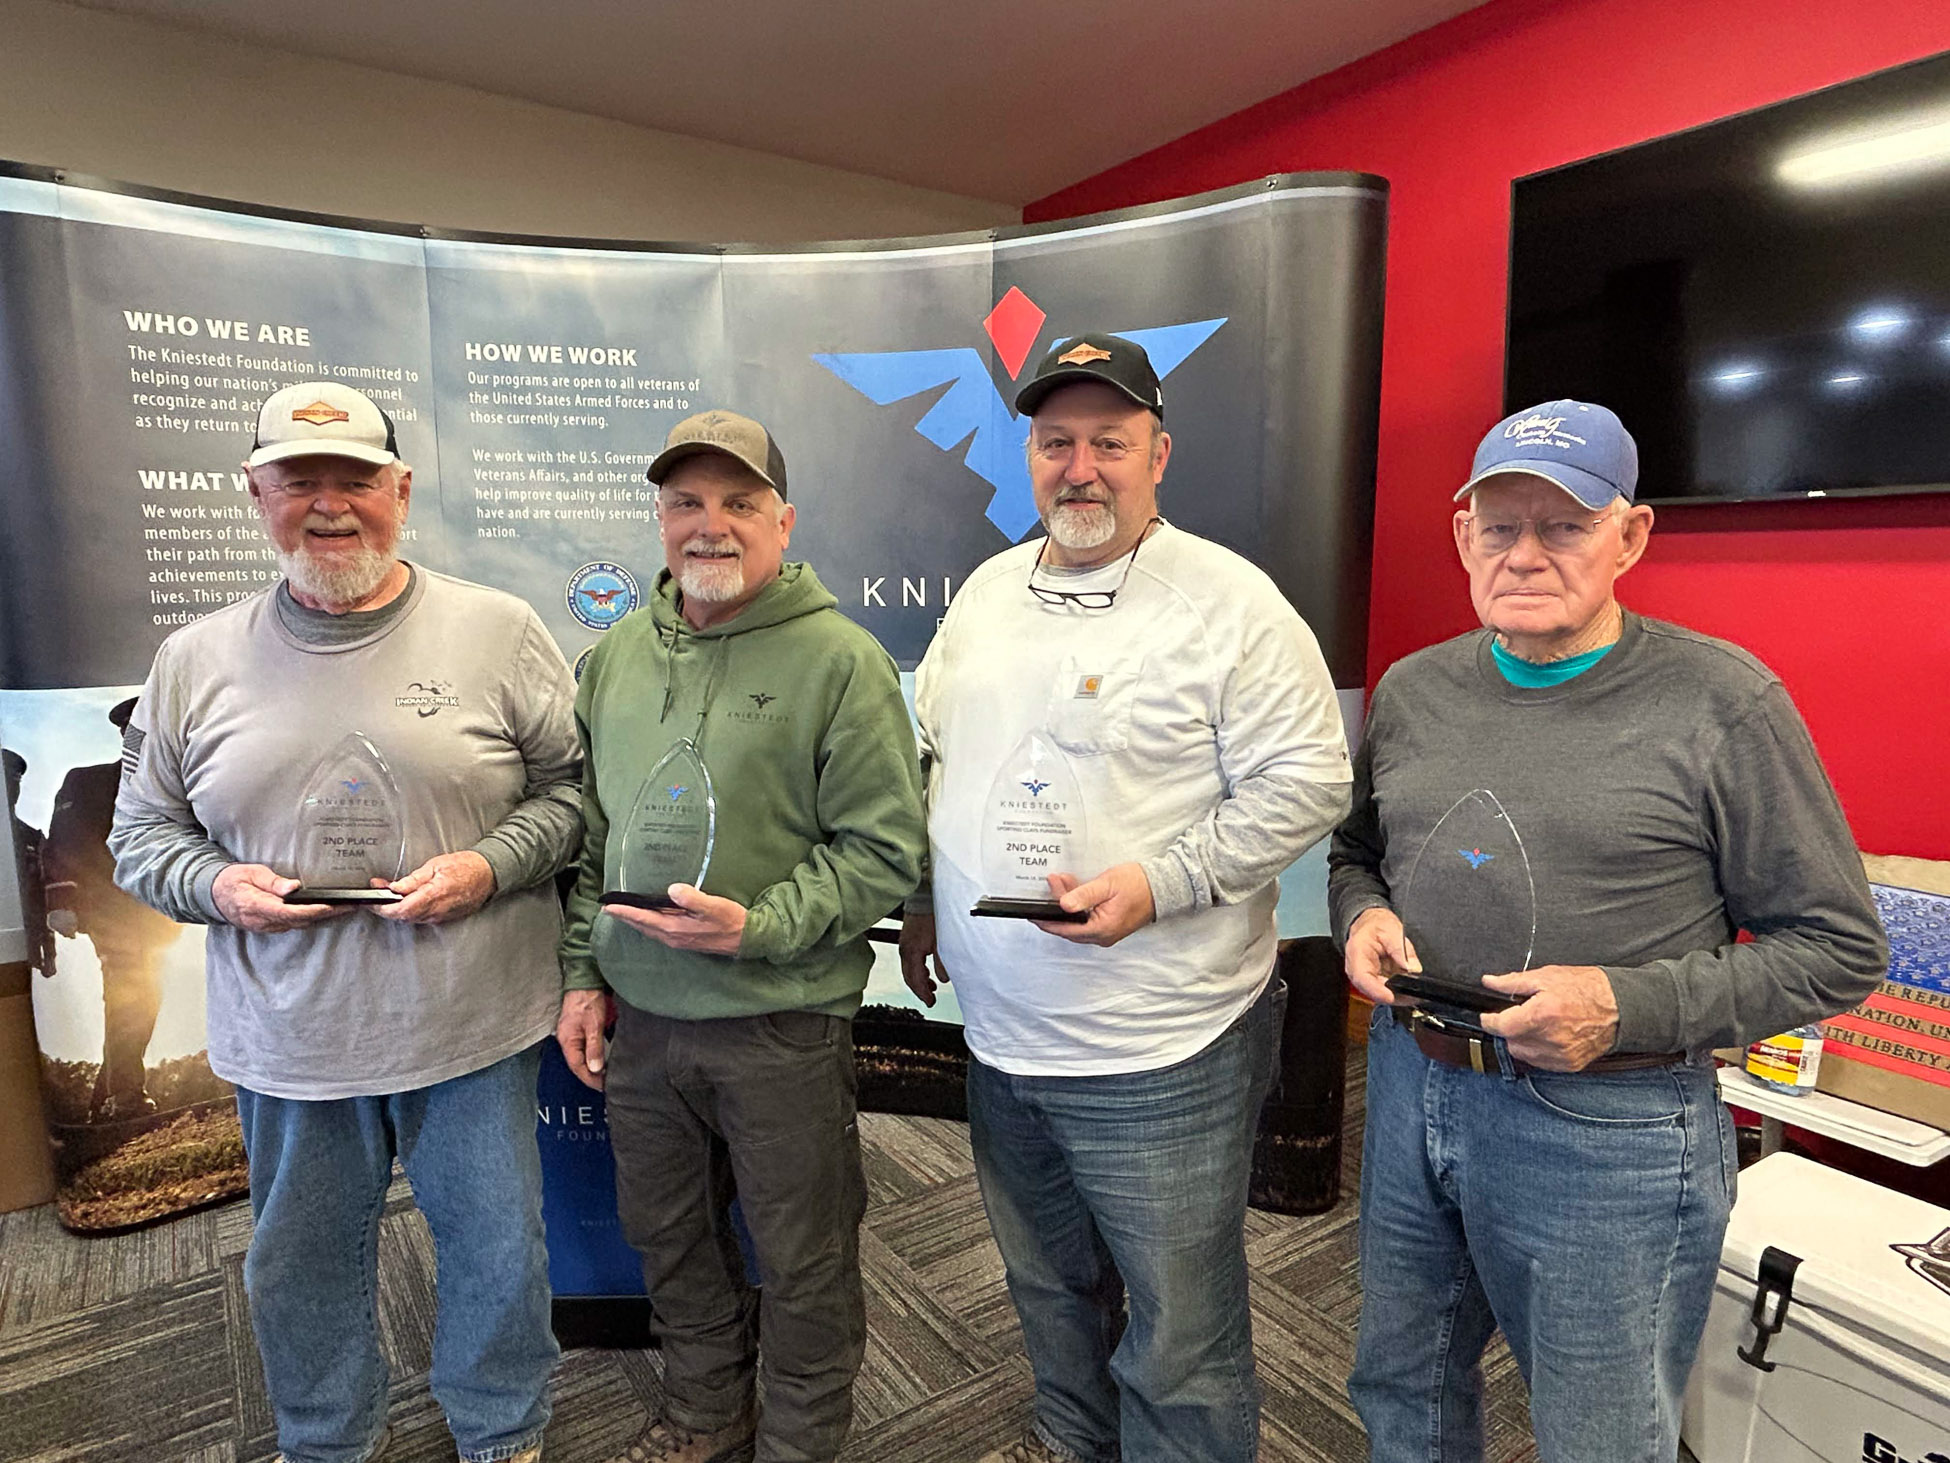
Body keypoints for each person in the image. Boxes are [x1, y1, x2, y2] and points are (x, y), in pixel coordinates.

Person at [1329, 400, 1888, 1462]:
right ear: (1463, 536)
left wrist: (1623, 1004)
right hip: (1412, 1084)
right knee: (1400, 1386)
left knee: (1600, 1435)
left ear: (1629, 537)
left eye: (1566, 525)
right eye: (1501, 526)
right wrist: (1362, 915)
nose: (1525, 554)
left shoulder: (1723, 701)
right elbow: (1356, 852)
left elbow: (1839, 946)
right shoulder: (1413, 690)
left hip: (1609, 1126)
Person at [901, 334, 1355, 1463]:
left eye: (1109, 441)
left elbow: (1310, 781)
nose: (1080, 467)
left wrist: (1161, 882)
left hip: (1162, 1051)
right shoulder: (988, 591)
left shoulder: (1229, 602)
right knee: (1046, 1285)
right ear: (1029, 458)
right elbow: (935, 756)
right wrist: (923, 898)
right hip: (1002, 1037)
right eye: (1056, 442)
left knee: (1179, 1334)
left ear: (1160, 453)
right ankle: (1072, 1440)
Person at [111, 381, 581, 1463]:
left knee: (498, 1250)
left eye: (356, 479)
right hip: (290, 1038)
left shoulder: (500, 630)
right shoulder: (193, 659)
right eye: (299, 481)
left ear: (401, 490)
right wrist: (216, 887)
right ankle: (325, 1439)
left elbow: (572, 795)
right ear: (256, 493)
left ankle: (502, 1430)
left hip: (471, 1022)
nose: (330, 504)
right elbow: (140, 836)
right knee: (300, 1262)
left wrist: (489, 865)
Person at [556, 408, 927, 1463]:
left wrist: (761, 928)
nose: (709, 524)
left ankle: (801, 1442)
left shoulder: (841, 661)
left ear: (783, 521)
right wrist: (583, 971)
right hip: (644, 1022)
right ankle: (705, 1413)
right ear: (660, 517)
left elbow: (883, 848)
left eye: (738, 502)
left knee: (803, 1257)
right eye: (686, 501)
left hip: (781, 1019)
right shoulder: (616, 657)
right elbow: (594, 836)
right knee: (668, 1237)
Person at [43, 696, 183, 1119]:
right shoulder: (88, 781)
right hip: (108, 908)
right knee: (130, 994)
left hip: (156, 914)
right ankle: (126, 1096)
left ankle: (105, 1098)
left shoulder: (176, 785)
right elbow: (64, 840)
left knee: (144, 999)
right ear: (125, 735)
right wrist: (61, 900)